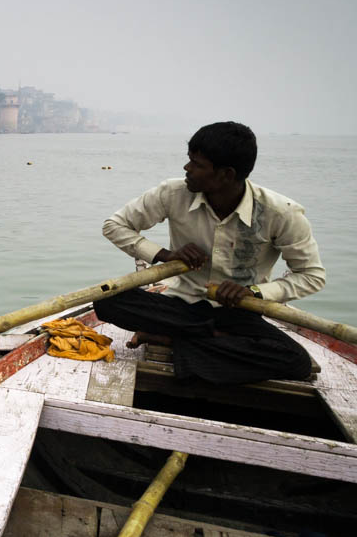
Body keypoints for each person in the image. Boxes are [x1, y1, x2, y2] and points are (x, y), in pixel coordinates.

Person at [94, 121, 324, 385]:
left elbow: (311, 275)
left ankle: (171, 339)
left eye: (197, 164)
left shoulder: (281, 213)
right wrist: (164, 254)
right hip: (181, 308)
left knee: (296, 361)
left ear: (226, 174)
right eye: (189, 160)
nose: (187, 169)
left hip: (238, 314)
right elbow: (115, 225)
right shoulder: (172, 192)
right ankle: (210, 340)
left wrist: (255, 292)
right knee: (107, 300)